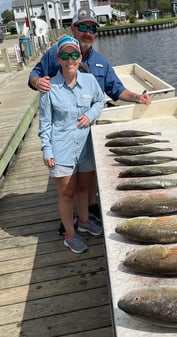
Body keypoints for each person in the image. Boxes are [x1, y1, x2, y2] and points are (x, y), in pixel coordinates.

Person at [29, 7, 151, 234]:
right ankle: (69, 224)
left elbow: (115, 90)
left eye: (92, 28)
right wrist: (37, 83)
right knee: (67, 186)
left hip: (87, 135)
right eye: (82, 27)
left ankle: (87, 214)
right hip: (63, 135)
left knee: (86, 181)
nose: (87, 32)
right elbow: (34, 75)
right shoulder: (54, 53)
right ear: (73, 28)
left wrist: (137, 97)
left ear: (95, 33)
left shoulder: (101, 63)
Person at [38, 35, 106, 253]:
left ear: (80, 57)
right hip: (62, 149)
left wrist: (91, 114)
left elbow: (100, 100)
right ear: (58, 58)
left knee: (84, 187)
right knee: (67, 194)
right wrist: (47, 150)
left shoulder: (89, 80)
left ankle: (85, 222)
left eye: (74, 54)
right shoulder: (49, 88)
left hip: (86, 146)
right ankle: (70, 234)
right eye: (65, 55)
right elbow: (45, 123)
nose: (70, 59)